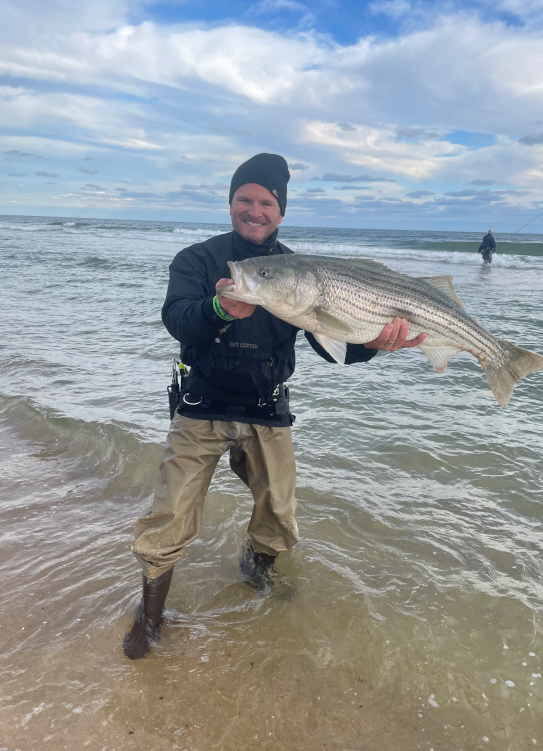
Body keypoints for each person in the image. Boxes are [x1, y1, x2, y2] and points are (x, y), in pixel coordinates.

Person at [122, 153, 427, 659]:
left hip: (267, 408)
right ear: (231, 204)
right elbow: (178, 319)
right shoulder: (198, 259)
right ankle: (149, 618)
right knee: (169, 516)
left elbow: (335, 349)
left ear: (281, 212)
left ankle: (254, 570)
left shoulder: (300, 273)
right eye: (246, 199)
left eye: (267, 202)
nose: (255, 209)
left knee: (280, 514)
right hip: (202, 404)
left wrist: (377, 343)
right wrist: (218, 308)